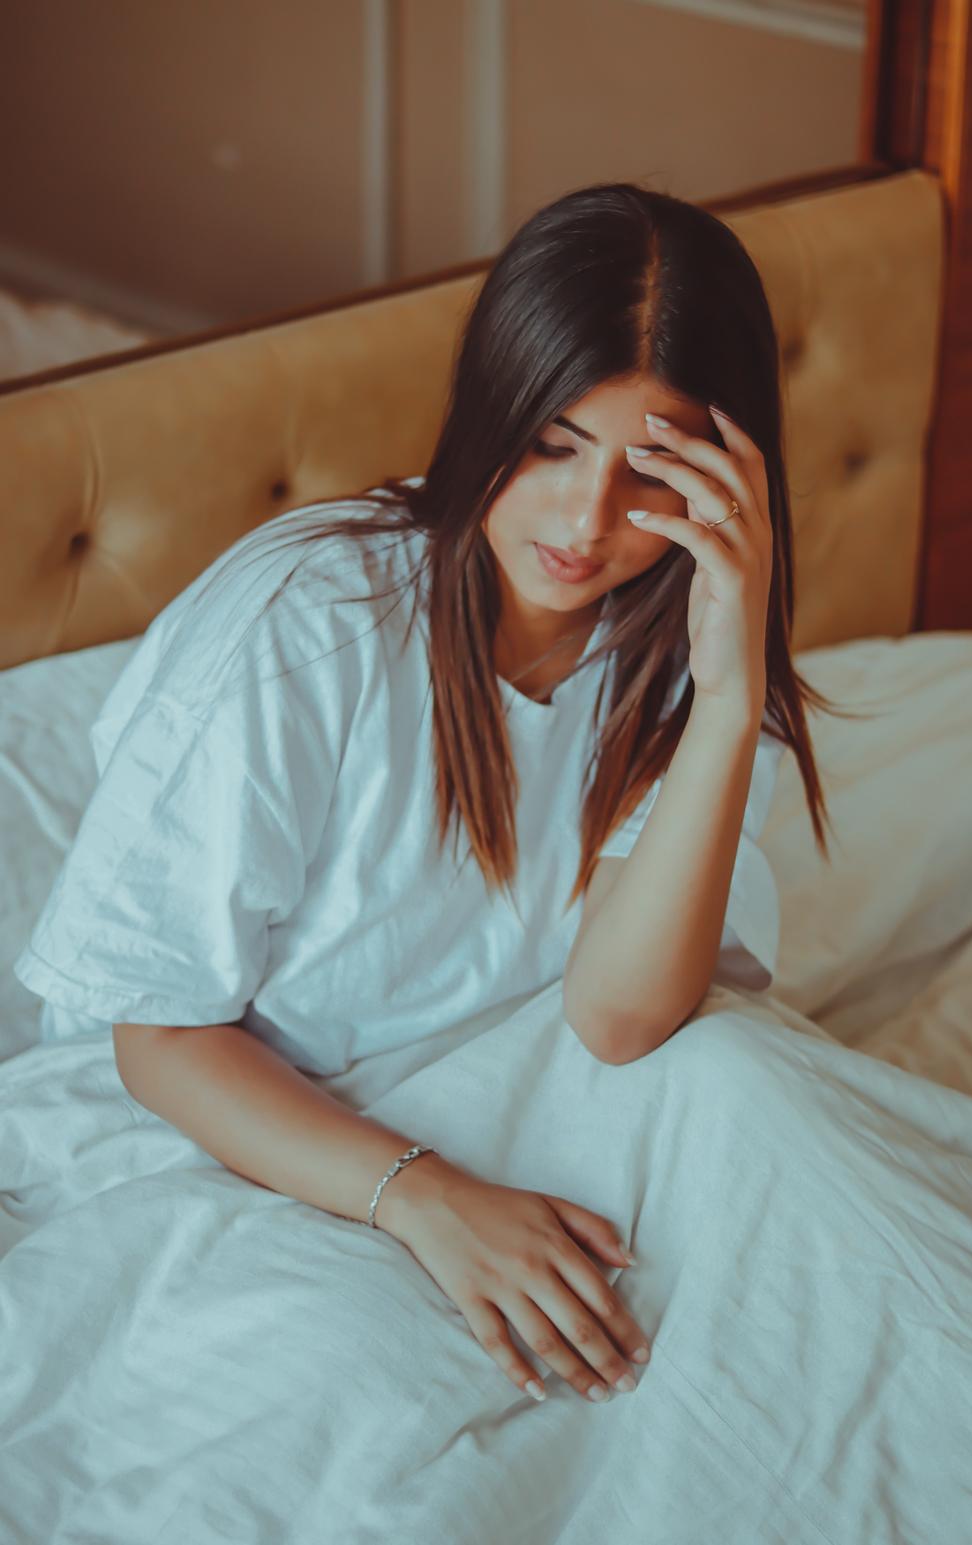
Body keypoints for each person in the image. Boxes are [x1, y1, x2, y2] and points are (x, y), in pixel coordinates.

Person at [13, 180, 841, 1411]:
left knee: (794, 1218)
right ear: (487, 408)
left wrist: (725, 703)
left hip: (502, 1097)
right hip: (236, 1123)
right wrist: (423, 1197)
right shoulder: (310, 625)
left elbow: (619, 1020)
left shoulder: (688, 661)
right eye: (553, 444)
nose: (585, 521)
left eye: (647, 475)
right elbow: (160, 1033)